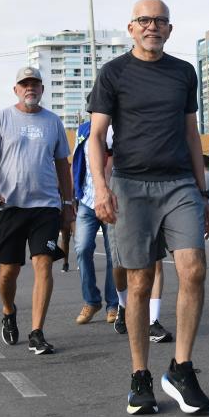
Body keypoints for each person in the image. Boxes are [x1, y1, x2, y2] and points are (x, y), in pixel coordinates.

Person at [88, 0, 209, 415]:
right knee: (139, 283)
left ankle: (181, 367)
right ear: (131, 27)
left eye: (160, 21)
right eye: (144, 20)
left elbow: (192, 134)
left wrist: (202, 190)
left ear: (170, 29)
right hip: (130, 186)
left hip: (178, 182)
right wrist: (101, 189)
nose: (152, 26)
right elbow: (95, 137)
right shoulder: (114, 73)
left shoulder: (183, 73)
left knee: (193, 269)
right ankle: (140, 375)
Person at [0, 66, 74, 356]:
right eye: (24, 84)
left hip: (45, 206)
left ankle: (37, 332)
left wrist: (68, 204)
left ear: (42, 89)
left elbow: (62, 166)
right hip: (11, 206)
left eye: (35, 83)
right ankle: (9, 310)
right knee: (9, 272)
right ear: (16, 89)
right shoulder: (2, 118)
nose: (30, 88)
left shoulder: (53, 122)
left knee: (44, 263)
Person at [70, 116, 121, 326]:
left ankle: (113, 304)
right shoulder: (83, 130)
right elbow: (76, 162)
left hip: (115, 201)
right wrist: (74, 194)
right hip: (87, 200)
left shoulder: (121, 126)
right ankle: (91, 301)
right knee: (82, 248)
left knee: (113, 254)